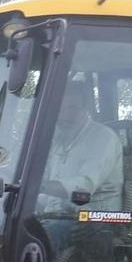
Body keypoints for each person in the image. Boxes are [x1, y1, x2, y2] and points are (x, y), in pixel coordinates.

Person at [40, 83, 124, 211]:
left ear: (87, 108)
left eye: (72, 108)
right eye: (60, 108)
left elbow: (83, 190)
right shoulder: (57, 141)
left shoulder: (102, 137)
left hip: (91, 222)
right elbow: (48, 195)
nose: (64, 115)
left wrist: (38, 186)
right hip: (58, 218)